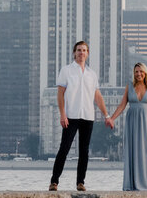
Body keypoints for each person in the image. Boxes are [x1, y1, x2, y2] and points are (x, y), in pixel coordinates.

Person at [50, 40, 113, 192]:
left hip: (87, 116)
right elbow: (60, 94)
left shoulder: (92, 74)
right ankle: (54, 181)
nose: (81, 53)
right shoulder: (66, 70)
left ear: (87, 53)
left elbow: (97, 96)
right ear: (74, 53)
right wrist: (62, 114)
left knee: (84, 151)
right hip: (70, 116)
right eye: (78, 50)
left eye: (84, 50)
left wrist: (107, 115)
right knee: (64, 149)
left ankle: (80, 182)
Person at [108, 62, 147, 191]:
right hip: (132, 123)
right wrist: (112, 118)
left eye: (141, 71)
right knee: (133, 151)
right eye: (136, 72)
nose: (138, 74)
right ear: (134, 73)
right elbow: (122, 105)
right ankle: (132, 184)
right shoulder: (129, 87)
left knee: (146, 153)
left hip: (146, 123)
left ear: (145, 72)